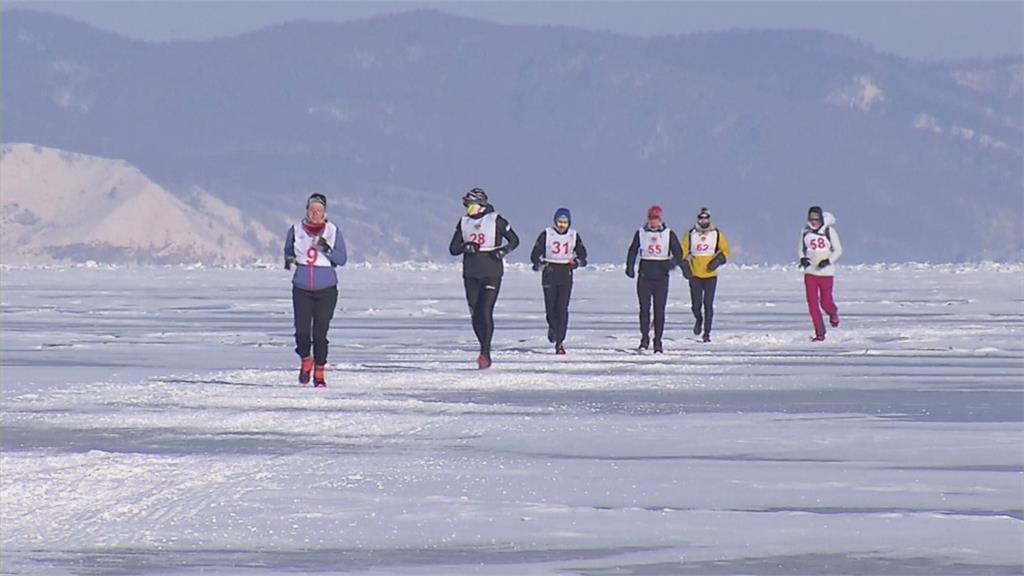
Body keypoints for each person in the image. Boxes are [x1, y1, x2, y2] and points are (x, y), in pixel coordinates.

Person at [449, 187, 520, 369]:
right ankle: (482, 345)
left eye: (471, 204)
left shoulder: (495, 220)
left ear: (480, 205)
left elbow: (514, 240)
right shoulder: (463, 222)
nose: (468, 208)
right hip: (471, 274)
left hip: (491, 272)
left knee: (485, 311)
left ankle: (485, 352)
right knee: (475, 313)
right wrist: (466, 246)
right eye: (467, 205)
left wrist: (503, 251)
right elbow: (453, 248)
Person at [284, 193, 348, 387]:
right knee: (302, 332)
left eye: (319, 210)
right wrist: (290, 262)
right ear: (307, 211)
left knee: (320, 334)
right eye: (312, 210)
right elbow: (288, 252)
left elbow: (342, 259)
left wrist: (326, 248)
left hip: (326, 289)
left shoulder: (333, 231)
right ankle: (306, 359)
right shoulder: (295, 230)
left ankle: (319, 373)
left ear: (324, 212)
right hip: (302, 288)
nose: (315, 213)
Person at [625, 205, 683, 353]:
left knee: (659, 310)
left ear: (660, 219)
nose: (653, 221)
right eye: (651, 218)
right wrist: (630, 267)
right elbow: (633, 250)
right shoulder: (641, 233)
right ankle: (644, 338)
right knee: (644, 309)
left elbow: (679, 253)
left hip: (661, 277)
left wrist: (672, 264)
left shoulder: (669, 234)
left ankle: (658, 340)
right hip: (645, 276)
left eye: (655, 218)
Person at [530, 208, 588, 354]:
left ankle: (560, 342)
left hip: (565, 273)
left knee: (562, 308)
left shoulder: (573, 235)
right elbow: (535, 254)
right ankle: (552, 328)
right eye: (559, 222)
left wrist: (577, 262)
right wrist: (538, 263)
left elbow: (583, 254)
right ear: (555, 222)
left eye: (565, 222)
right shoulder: (546, 234)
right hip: (550, 272)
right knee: (551, 308)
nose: (562, 225)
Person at [681, 207, 730, 343]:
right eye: (701, 218)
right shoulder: (691, 234)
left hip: (710, 275)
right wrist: (685, 265)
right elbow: (682, 251)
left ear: (709, 218)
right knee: (696, 305)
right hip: (695, 274)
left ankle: (707, 333)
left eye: (706, 217)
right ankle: (699, 319)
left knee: (708, 304)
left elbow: (726, 250)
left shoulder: (716, 234)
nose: (703, 220)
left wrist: (718, 260)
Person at [799, 205, 843, 341]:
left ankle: (833, 313)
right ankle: (820, 333)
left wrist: (828, 260)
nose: (814, 222)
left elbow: (838, 250)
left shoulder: (829, 232)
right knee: (812, 305)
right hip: (810, 273)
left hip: (826, 273)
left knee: (825, 302)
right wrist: (803, 258)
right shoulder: (805, 232)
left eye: (816, 219)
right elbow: (801, 249)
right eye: (811, 219)